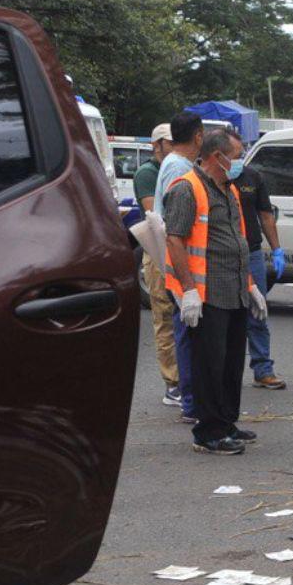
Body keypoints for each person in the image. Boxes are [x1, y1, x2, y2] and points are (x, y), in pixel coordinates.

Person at [163, 129, 268, 455]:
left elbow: (237, 243)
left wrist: (250, 286)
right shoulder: (186, 189)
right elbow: (175, 240)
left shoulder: (229, 189)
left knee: (231, 362)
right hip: (206, 293)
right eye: (235, 156)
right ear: (215, 157)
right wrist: (189, 291)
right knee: (209, 364)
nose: (239, 163)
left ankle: (226, 422)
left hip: (233, 289)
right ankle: (208, 433)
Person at [155, 111, 204, 424]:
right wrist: (188, 287)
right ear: (198, 136)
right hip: (181, 267)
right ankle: (189, 400)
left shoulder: (177, 164)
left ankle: (191, 398)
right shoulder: (179, 169)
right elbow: (177, 231)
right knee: (185, 333)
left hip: (180, 264)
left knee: (185, 331)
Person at [132, 123, 181, 407]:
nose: (173, 147)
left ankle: (184, 376)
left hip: (177, 249)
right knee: (163, 315)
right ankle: (171, 383)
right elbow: (155, 212)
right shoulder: (148, 173)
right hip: (157, 249)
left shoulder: (176, 167)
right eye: (169, 142)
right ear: (157, 145)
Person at [235, 162, 287, 390]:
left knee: (258, 310)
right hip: (222, 252)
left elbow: (265, 215)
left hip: (252, 252)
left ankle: (263, 369)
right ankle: (225, 371)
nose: (237, 160)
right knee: (226, 314)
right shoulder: (209, 177)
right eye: (233, 155)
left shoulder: (253, 177)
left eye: (239, 155)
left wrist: (277, 249)